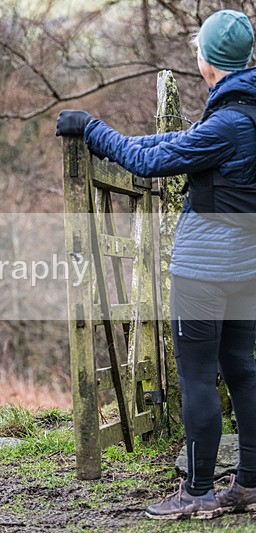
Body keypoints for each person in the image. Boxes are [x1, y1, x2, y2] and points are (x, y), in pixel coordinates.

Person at [57, 9, 256, 520]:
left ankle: (197, 491)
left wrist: (91, 128)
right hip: (248, 266)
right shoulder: (241, 116)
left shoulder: (229, 122)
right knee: (242, 369)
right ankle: (250, 481)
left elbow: (149, 162)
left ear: (207, 58)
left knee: (196, 376)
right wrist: (113, 137)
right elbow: (169, 144)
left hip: (204, 272)